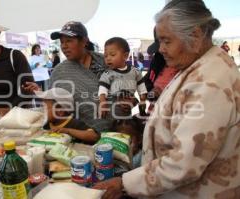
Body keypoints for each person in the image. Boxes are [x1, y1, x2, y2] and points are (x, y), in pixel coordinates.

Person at [94, 1, 240, 198]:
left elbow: (184, 163)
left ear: (195, 35)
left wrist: (124, 183)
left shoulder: (211, 82)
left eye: (166, 41)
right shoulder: (197, 65)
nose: (160, 49)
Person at [47, 21, 111, 133]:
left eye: (69, 41)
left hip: (116, 131)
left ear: (84, 41)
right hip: (79, 134)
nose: (64, 46)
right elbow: (52, 107)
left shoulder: (104, 61)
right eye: (62, 42)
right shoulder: (59, 73)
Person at [98, 37, 147, 119]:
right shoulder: (107, 73)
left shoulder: (135, 71)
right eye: (105, 56)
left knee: (126, 126)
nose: (108, 58)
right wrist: (103, 102)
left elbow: (141, 85)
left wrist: (142, 98)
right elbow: (102, 89)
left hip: (128, 109)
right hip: (112, 110)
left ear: (125, 56)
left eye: (112, 55)